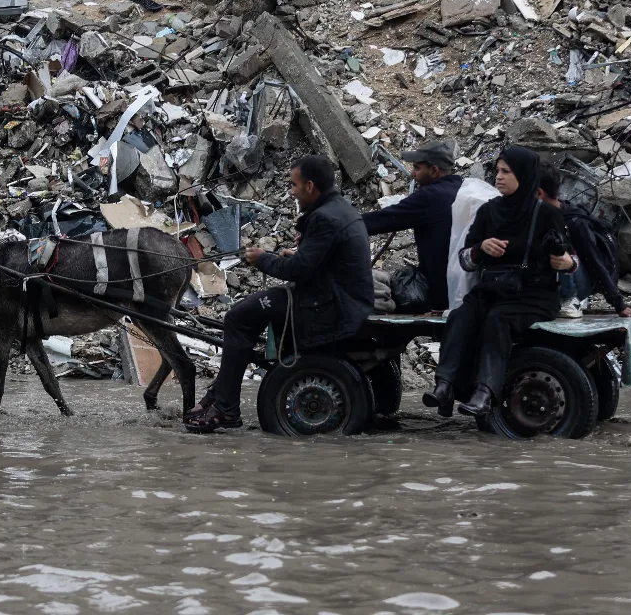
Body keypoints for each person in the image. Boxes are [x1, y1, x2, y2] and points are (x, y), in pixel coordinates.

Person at [186, 155, 374, 433]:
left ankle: (225, 407)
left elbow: (299, 270)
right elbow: (316, 260)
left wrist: (263, 259)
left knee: (238, 318)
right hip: (337, 294)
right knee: (249, 313)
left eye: (294, 185)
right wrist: (295, 255)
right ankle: (220, 393)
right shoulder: (339, 209)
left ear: (310, 186)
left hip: (330, 304)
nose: (291, 191)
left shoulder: (324, 218)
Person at [423, 146, 578, 418]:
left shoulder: (546, 214)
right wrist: (481, 248)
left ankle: (485, 393)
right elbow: (465, 259)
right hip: (493, 289)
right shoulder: (488, 211)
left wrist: (565, 262)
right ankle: (444, 386)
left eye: (506, 171)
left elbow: (571, 259)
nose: (499, 177)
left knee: (498, 319)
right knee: (462, 315)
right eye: (498, 170)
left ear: (525, 176)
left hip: (534, 294)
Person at [536, 163, 631, 325]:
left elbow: (595, 261)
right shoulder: (536, 214)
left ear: (539, 193)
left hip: (579, 281)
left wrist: (619, 305)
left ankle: (569, 300)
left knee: (557, 244)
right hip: (551, 280)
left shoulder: (574, 222)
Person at [362, 140, 463, 312]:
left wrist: (335, 226)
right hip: (464, 287)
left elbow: (382, 219)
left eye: (417, 168)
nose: (412, 173)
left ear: (433, 171)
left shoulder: (430, 196)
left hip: (440, 293)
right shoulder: (462, 189)